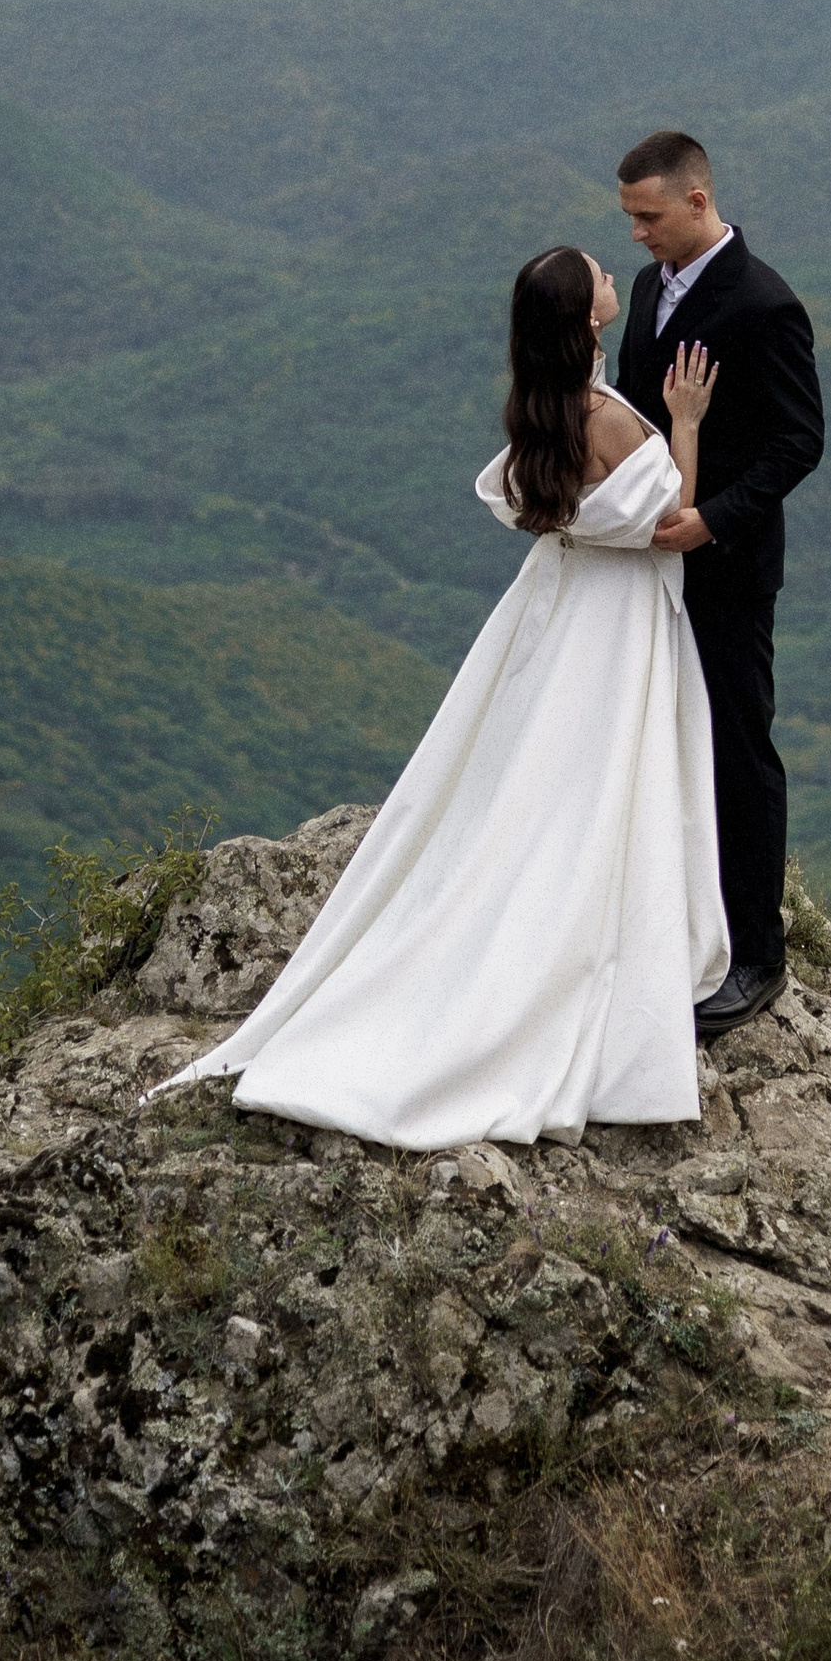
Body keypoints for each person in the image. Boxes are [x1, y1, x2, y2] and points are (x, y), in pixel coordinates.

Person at [151, 246, 730, 1147]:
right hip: (611, 623)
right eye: (599, 275)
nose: (616, 276)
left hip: (554, 607)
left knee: (541, 776)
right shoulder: (609, 419)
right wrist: (685, 424)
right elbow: (669, 528)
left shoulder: (539, 408)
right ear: (587, 316)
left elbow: (529, 501)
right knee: (599, 783)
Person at [612, 130, 825, 1035]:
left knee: (738, 748)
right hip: (648, 560)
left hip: (729, 570)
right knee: (658, 737)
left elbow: (798, 441)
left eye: (648, 217)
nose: (637, 236)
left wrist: (716, 517)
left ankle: (756, 958)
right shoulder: (651, 289)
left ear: (697, 203)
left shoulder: (764, 303)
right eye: (628, 220)